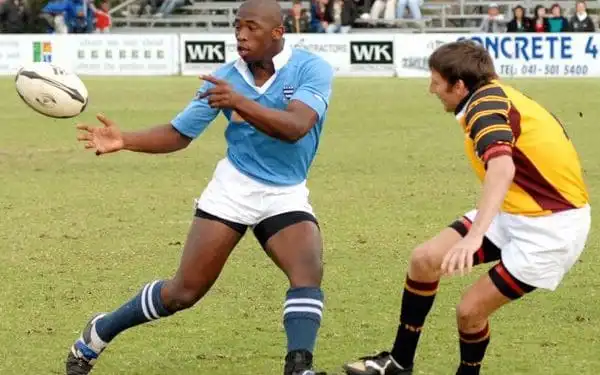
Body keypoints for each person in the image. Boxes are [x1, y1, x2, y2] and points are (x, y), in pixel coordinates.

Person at [65, 0, 334, 374]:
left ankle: (299, 366)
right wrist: (123, 139)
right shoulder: (224, 78)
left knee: (307, 273)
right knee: (183, 293)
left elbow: (296, 127)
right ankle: (99, 331)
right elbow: (178, 134)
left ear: (278, 32)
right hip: (234, 189)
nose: (241, 34)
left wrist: (239, 101)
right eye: (237, 26)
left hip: (285, 191)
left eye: (252, 27)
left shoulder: (311, 68)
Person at [342, 40, 590, 375]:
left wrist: (473, 237)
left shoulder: (483, 108)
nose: (432, 90)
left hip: (551, 229)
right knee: (424, 260)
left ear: (459, 86)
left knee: (469, 312)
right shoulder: (490, 95)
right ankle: (399, 362)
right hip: (514, 210)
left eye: (436, 83)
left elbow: (502, 168)